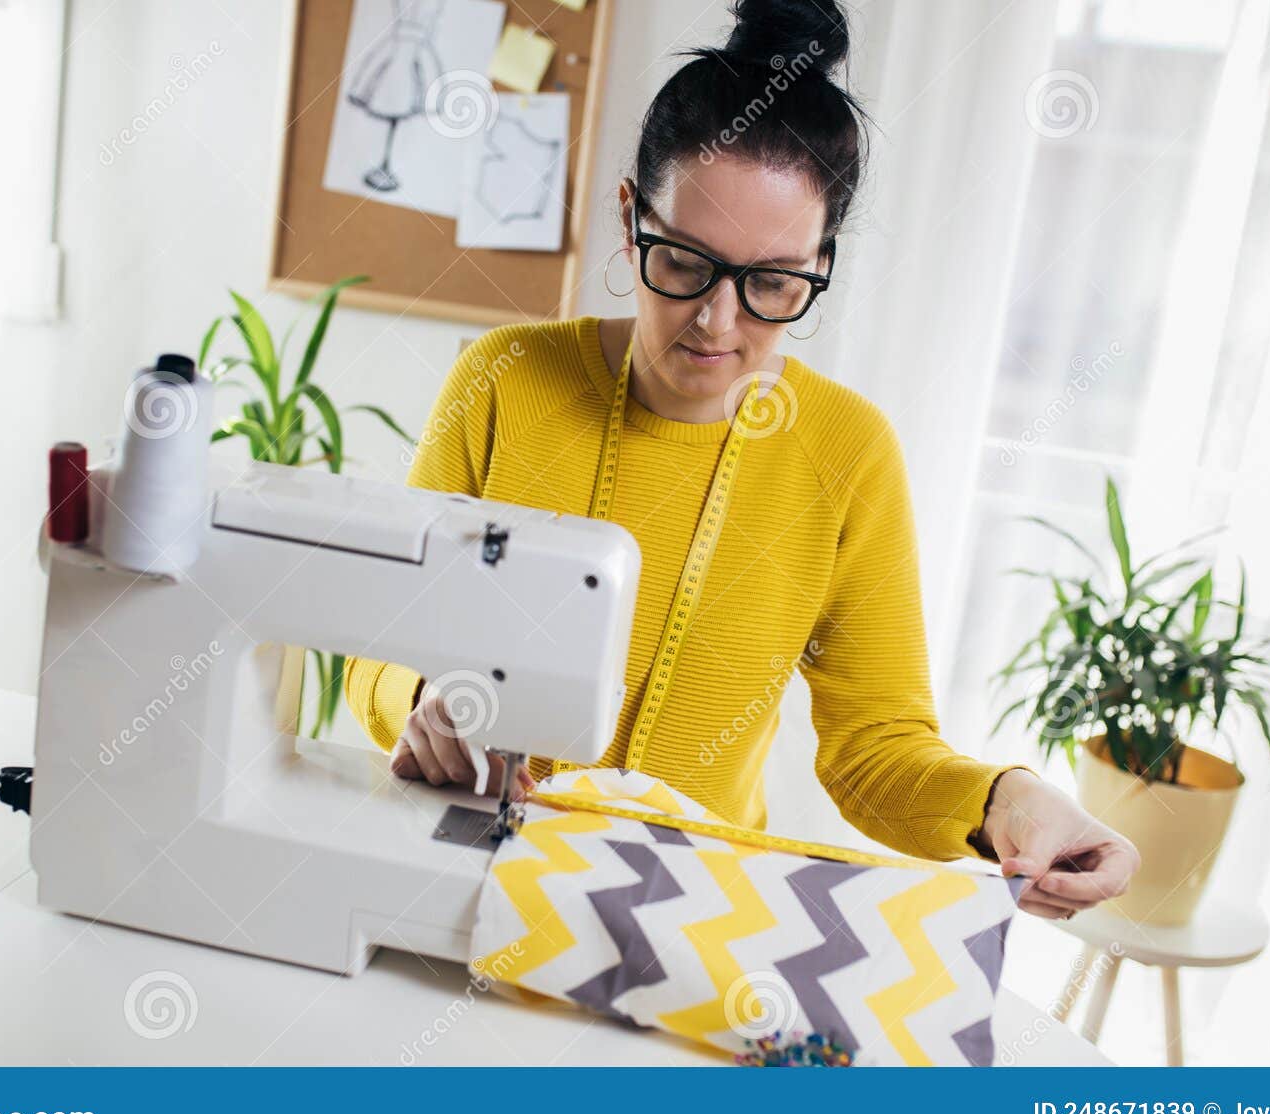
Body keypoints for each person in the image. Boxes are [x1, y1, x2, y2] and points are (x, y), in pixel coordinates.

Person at [343, 0, 1138, 921]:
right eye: (682, 261)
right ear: (630, 214)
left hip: (685, 928)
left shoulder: (848, 453)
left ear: (821, 262)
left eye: (771, 283)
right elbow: (381, 643)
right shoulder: (504, 381)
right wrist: (421, 697)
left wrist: (1009, 801)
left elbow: (875, 749)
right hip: (461, 886)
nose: (717, 321)